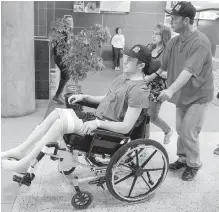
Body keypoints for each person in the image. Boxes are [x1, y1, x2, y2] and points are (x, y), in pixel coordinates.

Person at [1, 45, 158, 174]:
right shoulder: (123, 78)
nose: (125, 60)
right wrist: (86, 97)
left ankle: (25, 165)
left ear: (141, 65)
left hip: (107, 133)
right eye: (126, 57)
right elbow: (108, 98)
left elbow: (126, 127)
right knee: (56, 114)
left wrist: (97, 123)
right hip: (96, 119)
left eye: (131, 59)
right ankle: (21, 151)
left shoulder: (139, 91)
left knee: (61, 123)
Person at [146, 1, 214, 181]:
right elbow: (162, 66)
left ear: (185, 20)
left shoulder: (200, 42)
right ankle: (183, 158)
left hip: (199, 96)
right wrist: (146, 77)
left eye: (174, 18)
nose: (170, 21)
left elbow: (188, 71)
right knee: (180, 129)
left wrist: (170, 89)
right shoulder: (175, 42)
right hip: (183, 96)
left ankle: (194, 163)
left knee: (189, 131)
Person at [146, 23, 173, 144]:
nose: (153, 36)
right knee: (142, 115)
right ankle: (143, 140)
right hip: (145, 85)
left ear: (164, 36)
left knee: (152, 116)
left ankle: (167, 130)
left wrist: (157, 73)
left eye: (157, 34)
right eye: (153, 33)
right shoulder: (150, 48)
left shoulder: (168, 52)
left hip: (158, 88)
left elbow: (172, 73)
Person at [52, 15, 74, 105]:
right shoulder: (62, 32)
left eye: (71, 20)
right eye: (67, 21)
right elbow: (58, 46)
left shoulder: (68, 32)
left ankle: (59, 94)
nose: (69, 22)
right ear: (64, 22)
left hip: (64, 57)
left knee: (64, 75)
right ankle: (57, 95)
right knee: (67, 75)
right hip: (60, 57)